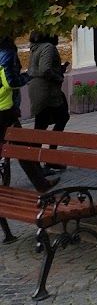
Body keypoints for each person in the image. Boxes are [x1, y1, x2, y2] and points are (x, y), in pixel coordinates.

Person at [0, 35, 57, 192]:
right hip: (5, 110)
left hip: (5, 110)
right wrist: (26, 77)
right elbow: (11, 82)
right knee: (21, 149)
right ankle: (40, 184)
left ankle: (38, 184)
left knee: (17, 148)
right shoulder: (7, 52)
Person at [28, 31, 71, 175]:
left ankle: (46, 159)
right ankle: (39, 163)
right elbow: (45, 69)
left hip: (41, 90)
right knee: (45, 125)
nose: (58, 35)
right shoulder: (48, 47)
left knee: (48, 123)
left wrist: (60, 69)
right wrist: (58, 77)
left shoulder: (36, 47)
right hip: (47, 92)